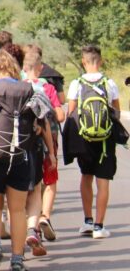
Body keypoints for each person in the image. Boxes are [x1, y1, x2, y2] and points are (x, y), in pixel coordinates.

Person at [0, 50, 54, 271]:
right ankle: (17, 260)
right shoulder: (29, 90)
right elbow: (43, 118)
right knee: (17, 210)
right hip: (21, 157)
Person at [65, 45, 121, 239]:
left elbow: (71, 112)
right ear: (101, 61)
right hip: (105, 139)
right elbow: (116, 112)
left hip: (84, 138)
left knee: (86, 176)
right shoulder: (110, 83)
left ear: (83, 61)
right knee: (103, 180)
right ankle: (99, 226)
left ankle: (87, 221)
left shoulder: (76, 83)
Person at [22, 45, 64, 245]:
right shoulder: (48, 88)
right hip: (47, 140)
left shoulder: (19, 85)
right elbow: (61, 115)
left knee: (30, 184)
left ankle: (30, 224)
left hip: (23, 142)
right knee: (49, 180)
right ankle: (45, 216)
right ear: (40, 69)